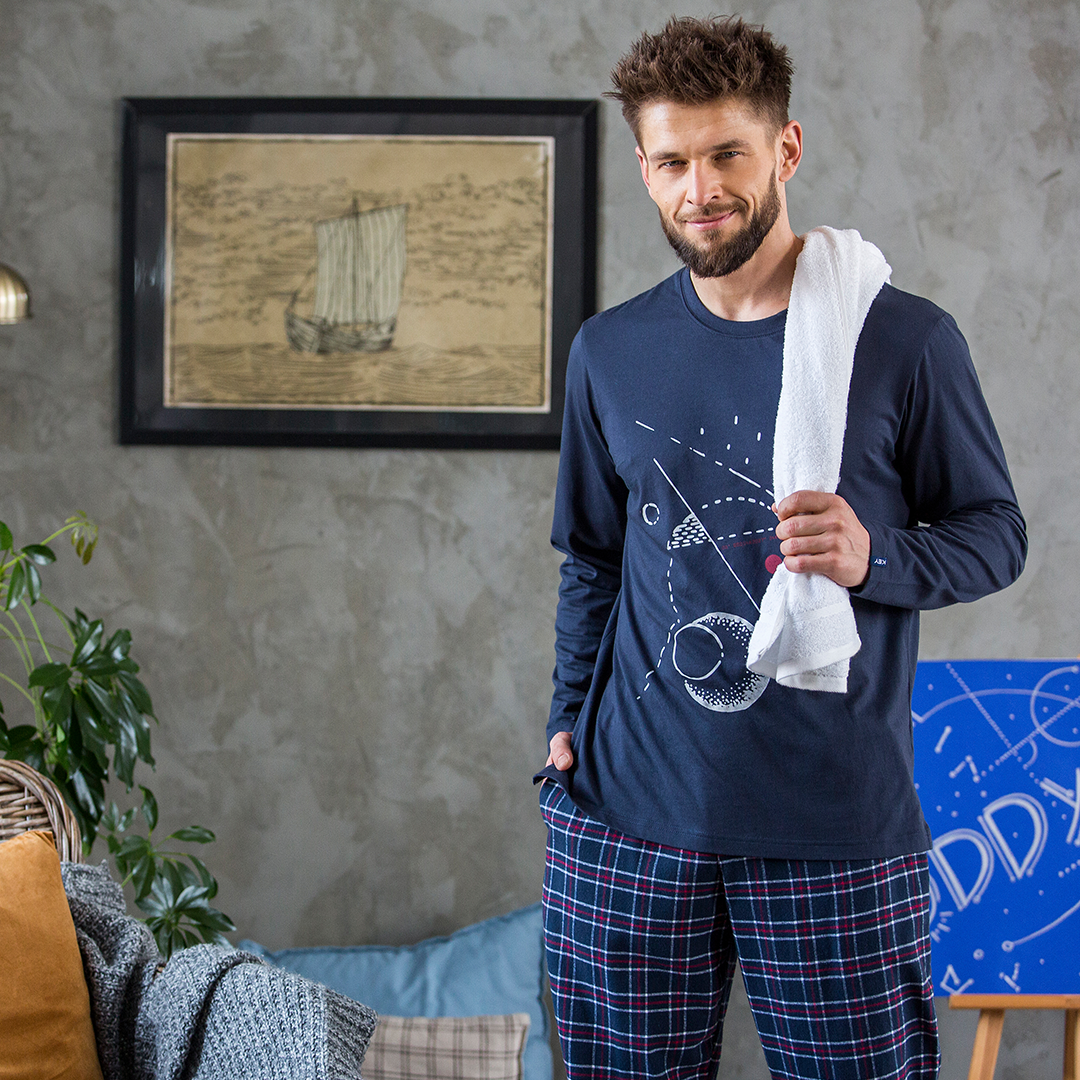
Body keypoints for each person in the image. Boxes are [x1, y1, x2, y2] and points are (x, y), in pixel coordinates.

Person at [534, 15, 1027, 1080]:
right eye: (673, 162)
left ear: (785, 149)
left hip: (832, 825)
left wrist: (872, 555)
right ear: (645, 167)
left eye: (727, 154)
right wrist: (567, 719)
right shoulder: (609, 350)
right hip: (626, 821)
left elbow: (997, 536)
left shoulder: (903, 341)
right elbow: (594, 560)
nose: (700, 189)